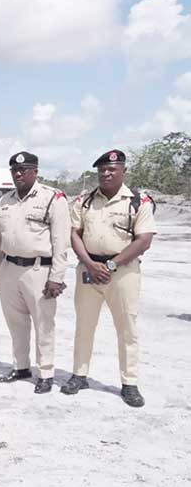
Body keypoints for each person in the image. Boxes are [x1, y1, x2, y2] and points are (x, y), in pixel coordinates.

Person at [61, 149, 156, 407]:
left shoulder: (138, 201)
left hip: (123, 272)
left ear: (123, 171)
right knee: (84, 326)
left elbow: (144, 240)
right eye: (102, 169)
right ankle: (79, 375)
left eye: (112, 169)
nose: (106, 173)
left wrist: (112, 265)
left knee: (127, 329)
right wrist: (91, 264)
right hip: (89, 269)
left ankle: (129, 382)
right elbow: (74, 234)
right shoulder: (85, 200)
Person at [0, 151, 70, 394]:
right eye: (15, 170)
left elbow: (61, 242)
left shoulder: (52, 198)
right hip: (9, 269)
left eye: (24, 170)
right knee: (16, 323)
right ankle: (21, 366)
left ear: (36, 171)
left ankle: (45, 372)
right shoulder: (5, 201)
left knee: (44, 324)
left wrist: (56, 278)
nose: (19, 174)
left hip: (39, 270)